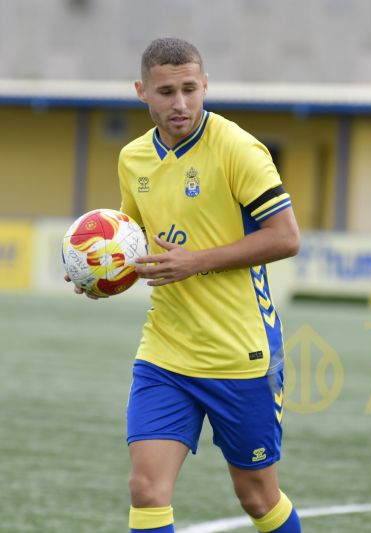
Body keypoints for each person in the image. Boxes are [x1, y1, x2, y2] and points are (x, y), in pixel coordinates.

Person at [66, 38, 301, 533]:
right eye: (167, 91)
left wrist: (197, 262)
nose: (180, 104)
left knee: (257, 498)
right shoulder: (133, 159)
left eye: (190, 89)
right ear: (141, 92)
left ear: (206, 85)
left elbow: (286, 238)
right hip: (166, 353)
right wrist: (100, 274)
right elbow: (133, 243)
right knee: (146, 489)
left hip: (241, 354)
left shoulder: (238, 148)